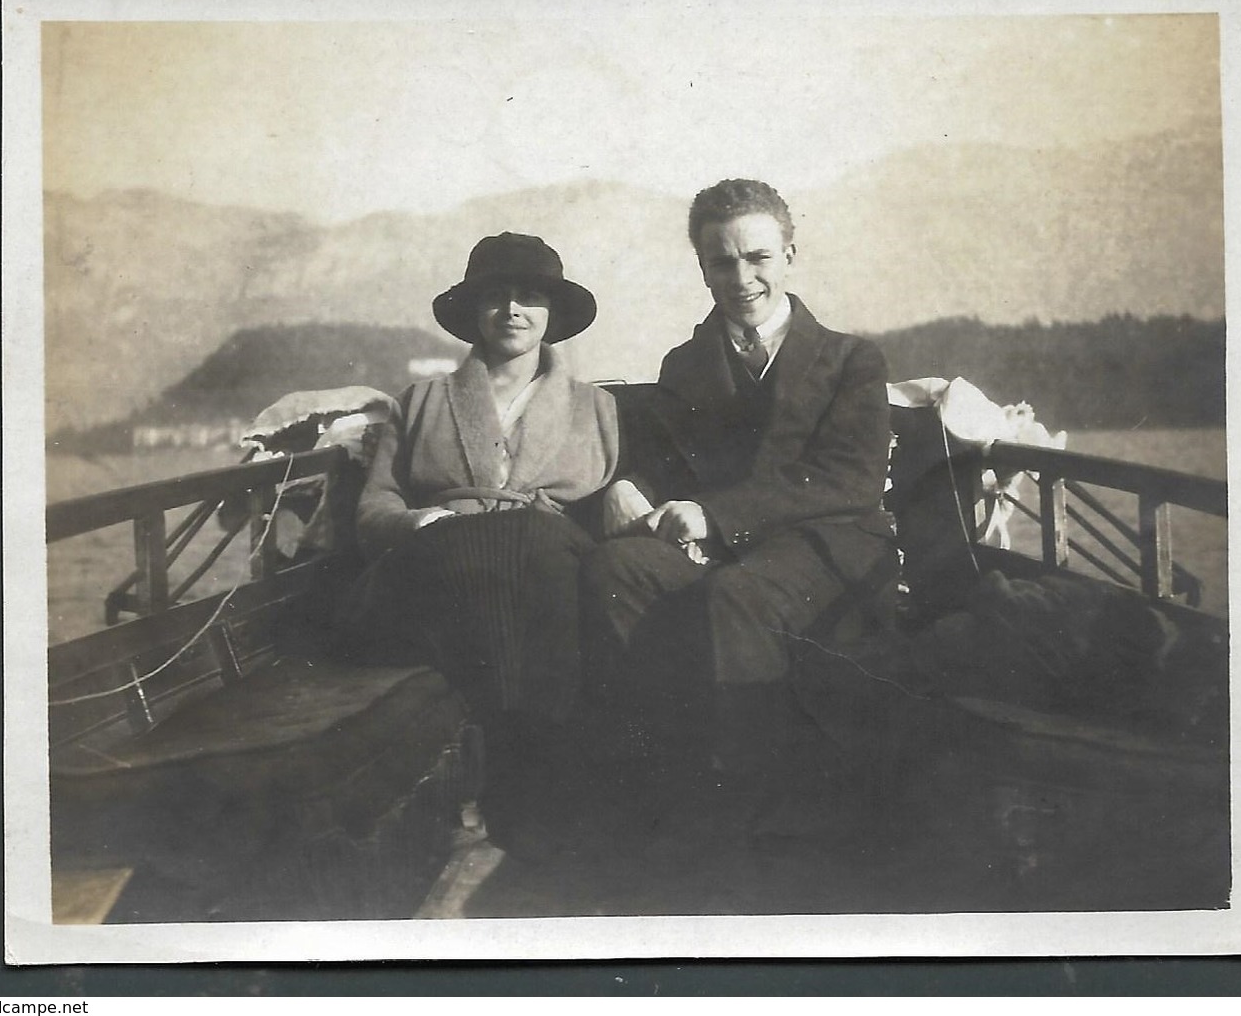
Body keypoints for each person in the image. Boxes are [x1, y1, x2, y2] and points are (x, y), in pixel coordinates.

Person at [582, 179, 902, 810]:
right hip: (727, 550)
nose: (742, 278)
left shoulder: (850, 361)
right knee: (614, 569)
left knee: (736, 596)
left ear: (789, 254)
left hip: (828, 548)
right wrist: (628, 486)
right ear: (703, 269)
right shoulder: (686, 364)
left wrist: (713, 514)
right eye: (722, 262)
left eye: (757, 257)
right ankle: (671, 775)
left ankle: (759, 804)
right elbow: (666, 463)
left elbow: (850, 480)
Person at [336, 231, 618, 857]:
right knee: (482, 555)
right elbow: (375, 506)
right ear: (473, 312)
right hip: (443, 569)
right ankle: (524, 773)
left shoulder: (595, 407)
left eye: (530, 297)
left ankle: (507, 766)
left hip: (544, 571)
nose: (512, 310)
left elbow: (604, 507)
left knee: (538, 553)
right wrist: (414, 523)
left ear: (552, 315)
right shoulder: (423, 401)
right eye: (496, 296)